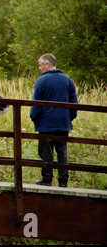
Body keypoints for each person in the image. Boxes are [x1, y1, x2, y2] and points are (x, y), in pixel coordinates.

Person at [30, 53, 77, 187]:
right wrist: (70, 116)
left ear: (47, 64)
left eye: (40, 65)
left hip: (46, 123)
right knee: (62, 152)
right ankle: (63, 181)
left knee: (46, 152)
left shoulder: (42, 80)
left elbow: (36, 102)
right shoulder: (67, 80)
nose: (39, 68)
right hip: (63, 122)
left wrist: (34, 117)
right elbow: (74, 102)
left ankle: (47, 179)